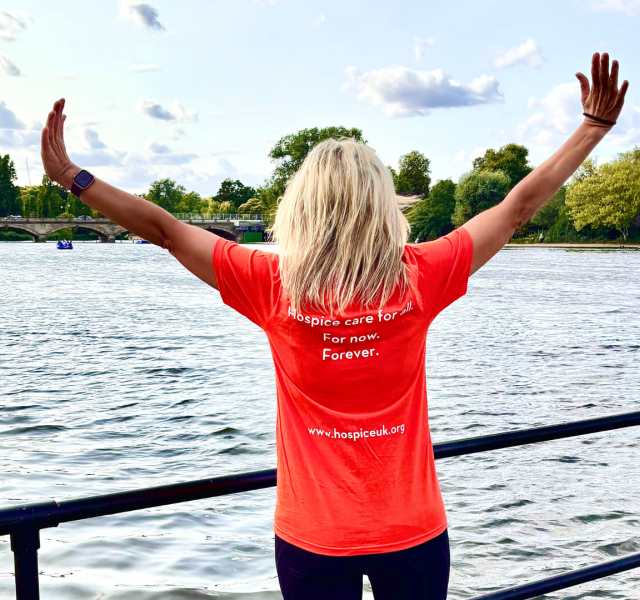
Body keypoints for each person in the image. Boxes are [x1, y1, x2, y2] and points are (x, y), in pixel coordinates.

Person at [40, 53, 627, 600]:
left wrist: (74, 176)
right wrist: (591, 130)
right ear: (382, 204)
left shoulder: (272, 284)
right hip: (413, 531)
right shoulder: (421, 275)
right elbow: (518, 207)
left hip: (312, 538)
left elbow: (164, 229)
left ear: (304, 205)